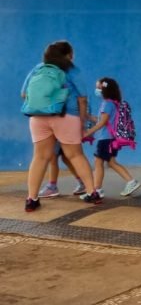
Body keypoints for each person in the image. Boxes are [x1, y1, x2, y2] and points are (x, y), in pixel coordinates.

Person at [22, 41, 101, 211]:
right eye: (71, 53)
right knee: (75, 155)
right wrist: (82, 122)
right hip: (66, 116)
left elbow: (24, 94)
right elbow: (82, 99)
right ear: (67, 55)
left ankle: (31, 199)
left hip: (38, 117)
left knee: (40, 157)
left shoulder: (38, 68)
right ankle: (92, 193)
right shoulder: (72, 70)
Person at [82, 78, 141, 197]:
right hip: (110, 138)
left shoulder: (107, 104)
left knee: (98, 163)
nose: (96, 90)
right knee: (111, 162)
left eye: (98, 87)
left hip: (106, 139)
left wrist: (88, 132)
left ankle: (97, 190)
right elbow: (102, 120)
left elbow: (102, 122)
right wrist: (88, 116)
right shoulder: (112, 103)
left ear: (105, 89)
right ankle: (130, 181)